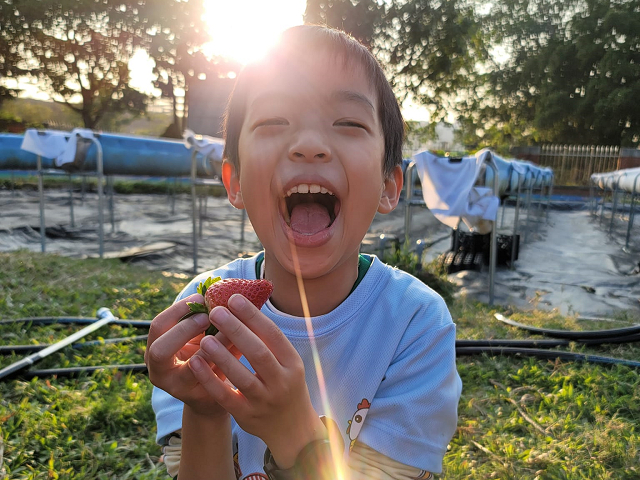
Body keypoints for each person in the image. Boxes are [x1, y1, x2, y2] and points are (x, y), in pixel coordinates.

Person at [145, 25, 462, 480]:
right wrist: (206, 409)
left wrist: (295, 437)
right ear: (234, 182)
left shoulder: (414, 324)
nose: (309, 144)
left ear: (390, 186)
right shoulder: (203, 309)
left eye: (349, 123)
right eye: (275, 121)